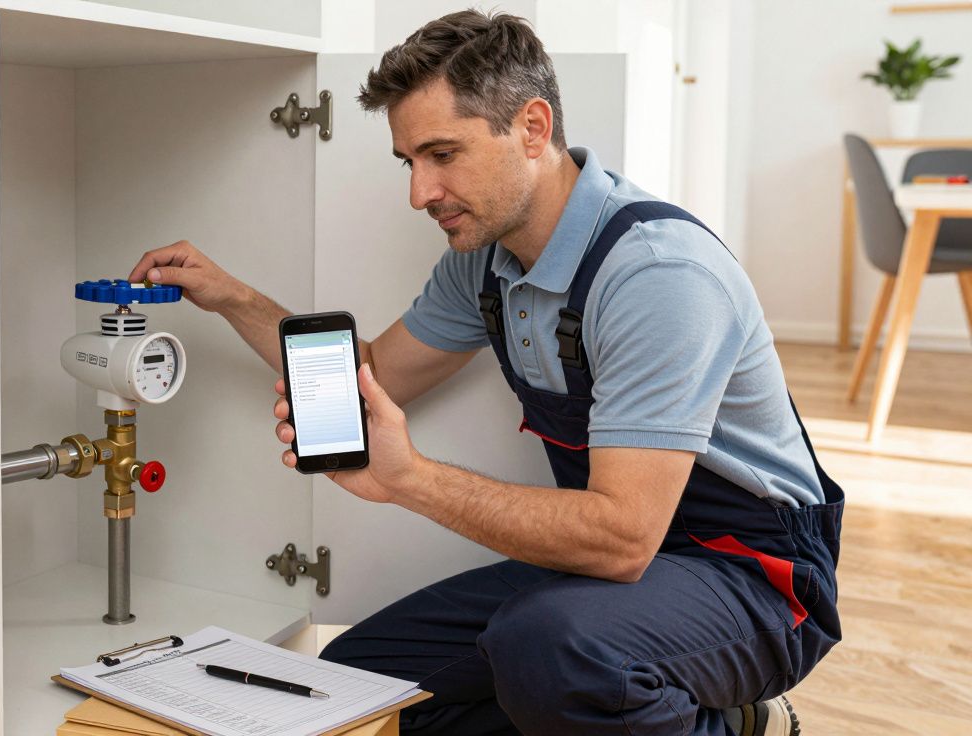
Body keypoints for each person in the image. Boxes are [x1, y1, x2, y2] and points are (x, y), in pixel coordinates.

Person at [128, 10, 842, 736]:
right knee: (353, 684)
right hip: (611, 571)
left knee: (550, 650)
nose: (420, 192)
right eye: (410, 161)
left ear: (532, 127)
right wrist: (232, 298)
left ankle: (741, 727)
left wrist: (411, 478)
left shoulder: (658, 275)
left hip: (754, 581)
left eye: (443, 153)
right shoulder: (483, 265)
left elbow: (623, 537)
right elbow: (371, 376)